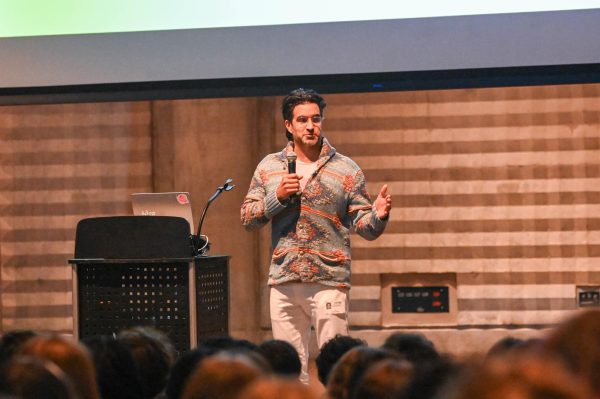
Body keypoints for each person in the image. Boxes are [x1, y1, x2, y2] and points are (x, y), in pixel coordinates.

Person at [241, 88, 392, 383]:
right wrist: (278, 196)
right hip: (284, 279)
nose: (310, 126)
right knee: (286, 372)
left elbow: (364, 226)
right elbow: (248, 219)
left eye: (316, 119)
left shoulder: (346, 169)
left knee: (336, 368)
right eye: (302, 120)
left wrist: (379, 215)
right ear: (288, 125)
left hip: (329, 279)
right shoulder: (269, 167)